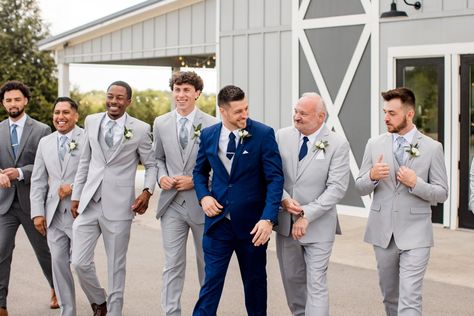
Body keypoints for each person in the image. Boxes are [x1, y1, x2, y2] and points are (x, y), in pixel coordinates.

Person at [355, 87, 448, 316]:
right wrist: (372, 177)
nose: (386, 118)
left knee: (410, 299)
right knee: (390, 297)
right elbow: (359, 186)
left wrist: (415, 182)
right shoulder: (374, 144)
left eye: (392, 113)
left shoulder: (432, 148)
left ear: (409, 114)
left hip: (416, 233)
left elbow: (442, 193)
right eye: (385, 112)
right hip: (382, 233)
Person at [192, 85, 284, 316]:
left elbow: (275, 179)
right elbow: (199, 172)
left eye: (246, 109)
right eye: (238, 112)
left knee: (255, 285)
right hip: (217, 224)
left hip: (254, 227)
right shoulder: (208, 135)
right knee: (210, 283)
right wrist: (204, 196)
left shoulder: (263, 134)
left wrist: (267, 218)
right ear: (222, 111)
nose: (244, 115)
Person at [70, 81, 157, 316]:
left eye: (120, 98)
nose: (114, 101)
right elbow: (85, 161)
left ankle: (115, 313)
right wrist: (76, 196)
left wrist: (147, 192)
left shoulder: (139, 129)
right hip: (89, 203)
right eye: (110, 96)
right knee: (78, 261)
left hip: (120, 206)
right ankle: (99, 300)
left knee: (115, 267)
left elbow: (151, 164)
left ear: (128, 101)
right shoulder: (91, 121)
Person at [274, 93, 350, 316]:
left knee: (316, 284)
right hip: (286, 224)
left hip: (319, 226)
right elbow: (272, 175)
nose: (296, 117)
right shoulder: (282, 136)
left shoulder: (338, 144)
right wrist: (285, 199)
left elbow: (337, 187)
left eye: (303, 113)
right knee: (292, 282)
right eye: (295, 111)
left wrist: (306, 213)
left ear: (321, 117)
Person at [153, 71, 218, 316]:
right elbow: (157, 158)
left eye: (186, 90)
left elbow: (220, 167)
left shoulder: (212, 124)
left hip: (203, 205)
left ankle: (205, 312)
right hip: (171, 205)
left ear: (197, 94)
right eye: (177, 90)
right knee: (172, 265)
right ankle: (171, 313)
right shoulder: (161, 122)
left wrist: (197, 181)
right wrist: (161, 177)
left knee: (206, 264)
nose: (181, 95)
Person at [0, 80, 57, 316]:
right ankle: (1, 303)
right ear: (3, 103)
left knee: (44, 251)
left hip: (33, 203)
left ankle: (57, 288)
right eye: (8, 100)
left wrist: (21, 172)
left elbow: (47, 166)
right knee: (1, 251)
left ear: (25, 101)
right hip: (4, 204)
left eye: (17, 99)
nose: (13, 104)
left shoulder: (42, 129)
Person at [30, 97, 84, 316]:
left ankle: (98, 302)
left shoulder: (87, 138)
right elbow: (38, 180)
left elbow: (94, 172)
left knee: (82, 264)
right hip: (52, 214)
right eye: (56, 113)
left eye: (65, 113)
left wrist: (72, 187)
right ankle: (67, 311)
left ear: (75, 116)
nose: (60, 117)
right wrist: (37, 213)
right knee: (59, 266)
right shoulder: (46, 142)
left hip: (79, 213)